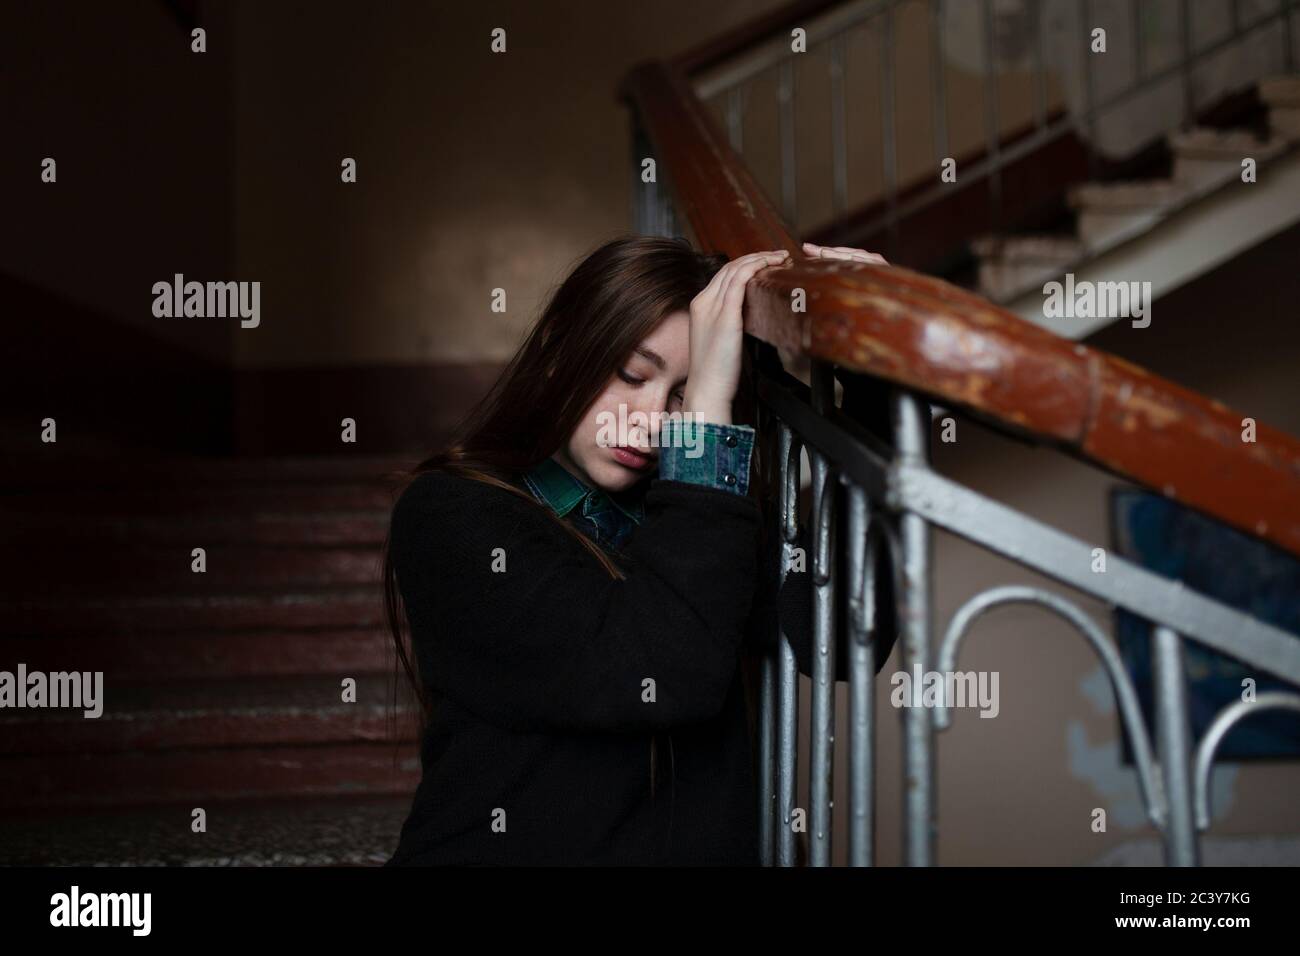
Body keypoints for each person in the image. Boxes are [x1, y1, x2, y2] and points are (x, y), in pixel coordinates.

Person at [382, 235, 896, 866]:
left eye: (685, 392)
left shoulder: (703, 518)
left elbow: (841, 634)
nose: (652, 420)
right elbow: (659, 672)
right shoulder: (450, 516)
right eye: (632, 374)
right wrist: (704, 424)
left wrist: (873, 385)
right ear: (556, 355)